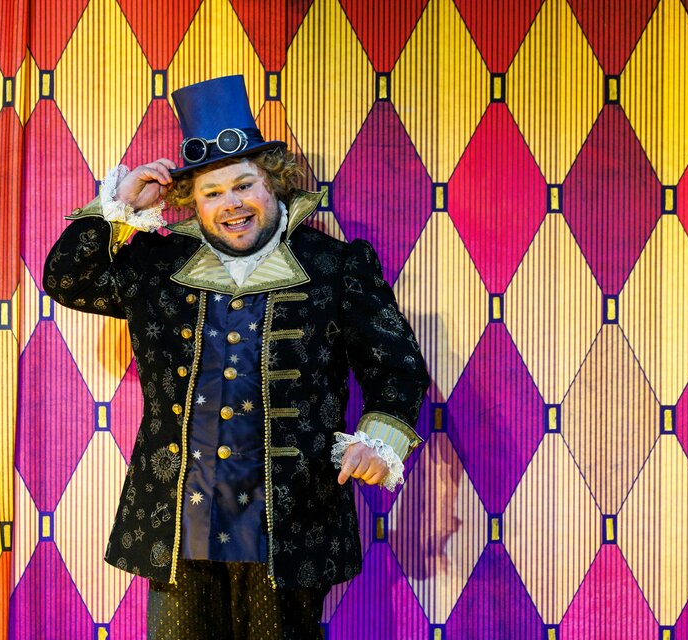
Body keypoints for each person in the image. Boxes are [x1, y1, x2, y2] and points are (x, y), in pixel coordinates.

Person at [42, 75, 430, 640]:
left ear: (272, 183)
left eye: (244, 185)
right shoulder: (157, 264)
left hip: (291, 518)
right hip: (179, 521)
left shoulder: (335, 265)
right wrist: (119, 208)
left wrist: (378, 439)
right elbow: (67, 280)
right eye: (212, 193)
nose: (232, 204)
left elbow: (397, 367)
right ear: (192, 203)